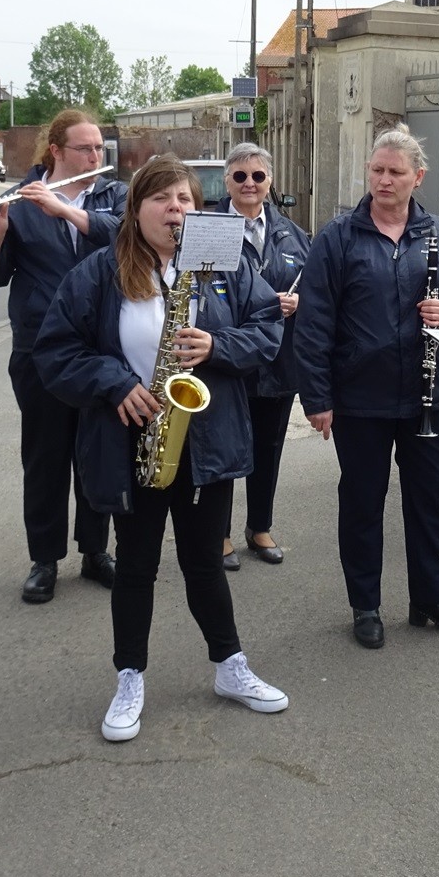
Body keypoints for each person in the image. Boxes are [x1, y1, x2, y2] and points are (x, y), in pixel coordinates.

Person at [33, 156, 289, 741]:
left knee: (204, 562)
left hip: (205, 440)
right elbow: (55, 350)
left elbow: (269, 324)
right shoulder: (100, 272)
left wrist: (218, 344)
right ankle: (130, 676)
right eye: (163, 199)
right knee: (137, 568)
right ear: (137, 208)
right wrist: (113, 381)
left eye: (186, 200)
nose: (177, 209)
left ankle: (230, 666)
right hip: (133, 442)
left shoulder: (219, 263)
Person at [294, 126, 439, 650]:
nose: (383, 179)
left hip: (428, 395)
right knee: (362, 503)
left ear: (417, 177)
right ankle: (366, 605)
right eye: (377, 170)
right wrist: (317, 397)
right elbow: (313, 322)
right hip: (361, 397)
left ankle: (431, 597)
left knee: (427, 501)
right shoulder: (338, 237)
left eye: (395, 172)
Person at [0, 110, 124, 604]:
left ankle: (95, 550)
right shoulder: (23, 199)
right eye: (85, 149)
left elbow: (129, 238)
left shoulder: (113, 195)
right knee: (45, 455)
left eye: (100, 149)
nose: (95, 157)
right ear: (56, 151)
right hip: (41, 349)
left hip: (102, 346)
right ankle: (44, 558)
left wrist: (69, 212)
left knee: (96, 451)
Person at [212, 142, 311, 571]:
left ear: (270, 182)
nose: (249, 183)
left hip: (278, 360)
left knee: (268, 447)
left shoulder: (292, 232)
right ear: (227, 182)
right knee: (221, 445)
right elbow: (195, 292)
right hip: (226, 358)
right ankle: (218, 533)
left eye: (258, 176)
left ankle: (260, 527)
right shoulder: (209, 227)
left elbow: (314, 287)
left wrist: (298, 302)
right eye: (240, 176)